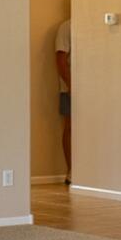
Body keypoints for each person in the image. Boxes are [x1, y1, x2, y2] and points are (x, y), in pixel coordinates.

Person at [51, 11, 74, 174]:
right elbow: (60, 60)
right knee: (71, 127)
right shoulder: (67, 27)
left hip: (94, 88)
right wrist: (71, 85)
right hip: (70, 89)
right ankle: (71, 171)